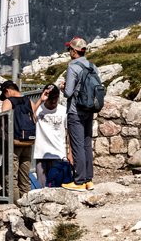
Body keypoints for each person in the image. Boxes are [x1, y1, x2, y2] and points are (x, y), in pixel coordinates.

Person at [63, 36, 100, 191]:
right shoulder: (93, 66)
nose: (68, 52)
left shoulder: (73, 67)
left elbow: (68, 92)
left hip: (75, 111)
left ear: (74, 51)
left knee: (77, 145)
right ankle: (88, 180)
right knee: (86, 144)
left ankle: (79, 181)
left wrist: (62, 87)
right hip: (89, 109)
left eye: (69, 49)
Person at [0, 80, 35, 200]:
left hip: (14, 142)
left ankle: (15, 205)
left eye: (4, 94)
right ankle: (27, 204)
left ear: (7, 91)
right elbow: (35, 117)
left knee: (11, 177)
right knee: (24, 177)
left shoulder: (8, 101)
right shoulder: (29, 100)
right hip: (28, 142)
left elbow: (2, 121)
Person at [32, 83, 71, 187]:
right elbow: (29, 116)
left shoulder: (63, 111)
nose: (54, 101)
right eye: (51, 98)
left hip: (58, 154)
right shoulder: (39, 110)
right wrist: (40, 100)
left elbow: (69, 134)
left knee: (57, 186)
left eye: (56, 98)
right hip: (41, 154)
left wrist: (70, 153)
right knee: (42, 187)